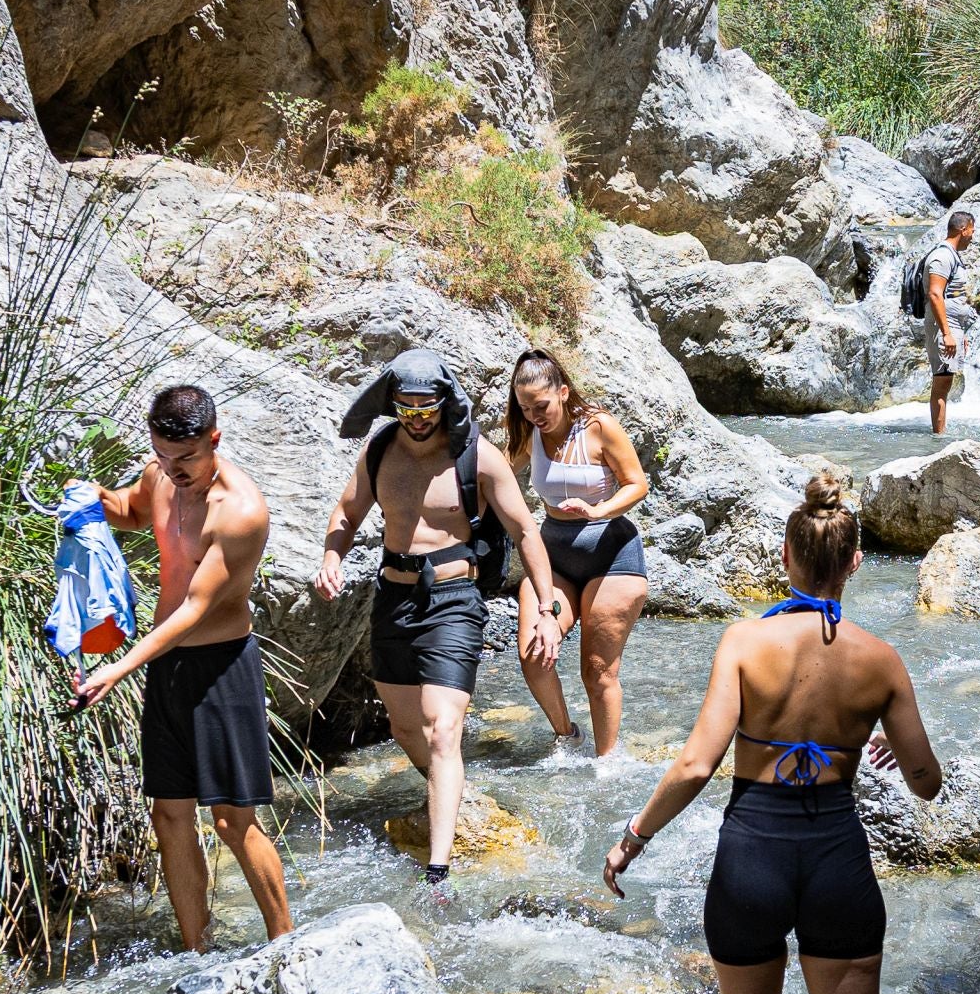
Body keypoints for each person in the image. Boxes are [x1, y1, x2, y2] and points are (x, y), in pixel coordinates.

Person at [603, 473, 942, 994]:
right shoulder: (881, 661)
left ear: (785, 556)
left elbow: (694, 764)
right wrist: (887, 750)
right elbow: (927, 783)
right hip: (836, 856)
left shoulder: (743, 642)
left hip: (751, 851)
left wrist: (633, 836)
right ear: (856, 564)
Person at [314, 348, 564, 898]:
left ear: (446, 402)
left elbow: (525, 532)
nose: (420, 419)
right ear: (392, 406)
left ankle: (438, 870)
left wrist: (545, 610)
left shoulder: (478, 456)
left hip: (454, 598)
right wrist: (332, 556)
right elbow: (345, 514)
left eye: (428, 408)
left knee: (443, 729)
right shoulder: (378, 451)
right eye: (408, 410)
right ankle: (451, 790)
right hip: (392, 598)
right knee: (406, 728)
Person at [73, 385, 294, 953]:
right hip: (165, 664)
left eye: (187, 458)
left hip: (221, 668)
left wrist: (116, 670)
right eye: (164, 457)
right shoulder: (161, 474)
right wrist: (91, 496)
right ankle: (196, 951)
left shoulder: (241, 511)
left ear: (214, 440)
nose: (174, 471)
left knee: (232, 821)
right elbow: (130, 510)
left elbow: (196, 610)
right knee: (168, 815)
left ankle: (287, 945)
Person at [505, 350, 650, 756]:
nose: (534, 414)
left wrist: (598, 510)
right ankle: (567, 736)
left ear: (563, 392)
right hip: (553, 559)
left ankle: (606, 762)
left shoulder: (599, 427)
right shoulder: (526, 435)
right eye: (525, 407)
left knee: (597, 670)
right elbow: (495, 474)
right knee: (534, 655)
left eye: (541, 405)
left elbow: (636, 484)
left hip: (612, 554)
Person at [924, 211, 979, 436]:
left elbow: (951, 296)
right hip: (943, 328)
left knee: (945, 381)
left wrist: (958, 332)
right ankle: (938, 437)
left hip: (951, 326)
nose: (972, 237)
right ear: (962, 229)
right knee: (941, 383)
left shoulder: (952, 255)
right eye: (972, 232)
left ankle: (940, 433)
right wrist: (947, 333)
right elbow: (935, 294)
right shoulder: (942, 257)